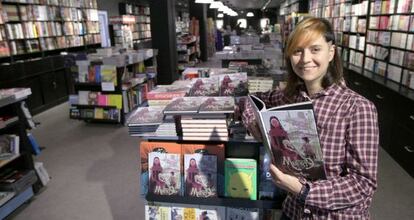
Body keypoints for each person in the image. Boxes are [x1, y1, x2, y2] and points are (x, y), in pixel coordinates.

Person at [242, 17, 379, 219]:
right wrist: (251, 120)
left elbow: (363, 184)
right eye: (298, 51)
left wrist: (304, 191)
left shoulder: (357, 108)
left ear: (331, 52)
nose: (305, 59)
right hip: (293, 212)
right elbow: (249, 100)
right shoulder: (288, 96)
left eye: (315, 49)